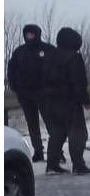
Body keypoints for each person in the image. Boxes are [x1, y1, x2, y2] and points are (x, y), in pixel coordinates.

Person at [40, 27, 90, 174]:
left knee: (57, 133)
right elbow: (79, 82)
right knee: (77, 133)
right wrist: (85, 100)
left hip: (49, 102)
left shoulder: (49, 56)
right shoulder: (74, 58)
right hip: (68, 102)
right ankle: (78, 164)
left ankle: (52, 164)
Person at [6, 23, 53, 160]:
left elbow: (55, 69)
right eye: (27, 34)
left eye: (32, 34)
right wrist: (15, 87)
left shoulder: (47, 49)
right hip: (25, 95)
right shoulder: (19, 52)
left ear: (37, 34)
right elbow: (11, 71)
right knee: (32, 125)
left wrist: (51, 87)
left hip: (44, 94)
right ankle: (38, 151)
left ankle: (56, 152)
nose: (29, 36)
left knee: (51, 123)